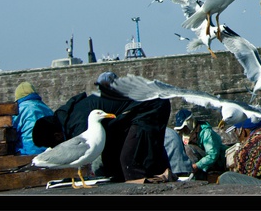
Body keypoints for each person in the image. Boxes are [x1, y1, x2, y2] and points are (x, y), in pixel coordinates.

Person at [32, 71, 172, 182]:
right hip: (139, 107)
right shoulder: (69, 116)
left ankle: (150, 186)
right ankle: (160, 176)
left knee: (130, 161)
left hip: (150, 105)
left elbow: (98, 149)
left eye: (55, 144)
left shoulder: (77, 124)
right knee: (125, 161)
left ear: (57, 136)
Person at [11, 81, 54, 155]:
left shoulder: (18, 110)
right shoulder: (46, 108)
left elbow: (12, 130)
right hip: (48, 149)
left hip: (29, 149)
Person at [164, 108, 194, 177]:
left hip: (175, 169)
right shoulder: (172, 133)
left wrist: (197, 165)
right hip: (185, 167)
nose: (183, 130)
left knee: (188, 148)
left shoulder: (205, 132)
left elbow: (213, 153)